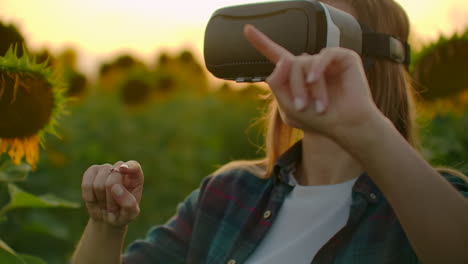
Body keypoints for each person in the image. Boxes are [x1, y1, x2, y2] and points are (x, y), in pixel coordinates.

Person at [71, 0, 468, 263]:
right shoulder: (228, 194)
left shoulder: (433, 205)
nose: (295, 57)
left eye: (314, 30)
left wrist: (364, 127)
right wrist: (107, 227)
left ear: (373, 60)